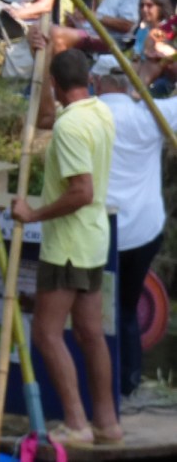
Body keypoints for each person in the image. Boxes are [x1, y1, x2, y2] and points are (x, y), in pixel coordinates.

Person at [10, 48, 122, 446]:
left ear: (56, 85)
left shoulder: (71, 126)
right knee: (90, 333)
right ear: (89, 80)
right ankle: (107, 424)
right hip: (93, 238)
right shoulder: (99, 111)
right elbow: (44, 117)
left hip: (69, 244)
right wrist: (41, 58)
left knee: (46, 333)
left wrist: (32, 214)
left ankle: (76, 423)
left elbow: (81, 191)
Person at [88, 60, 177, 396]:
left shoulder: (87, 116)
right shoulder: (151, 115)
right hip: (143, 231)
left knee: (94, 310)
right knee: (126, 308)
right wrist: (167, 72)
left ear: (97, 81)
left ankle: (99, 382)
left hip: (102, 230)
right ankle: (129, 382)